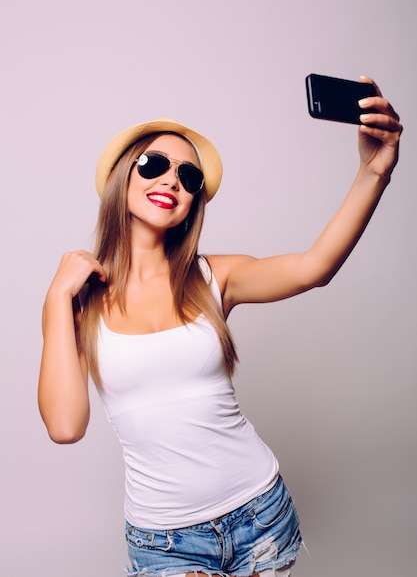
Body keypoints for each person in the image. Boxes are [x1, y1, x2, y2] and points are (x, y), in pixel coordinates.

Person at [38, 77, 402, 577]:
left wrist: (374, 172)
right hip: (165, 541)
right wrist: (58, 296)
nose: (171, 181)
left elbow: (314, 268)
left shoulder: (214, 276)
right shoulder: (77, 300)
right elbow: (64, 426)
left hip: (259, 515)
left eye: (189, 177)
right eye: (154, 165)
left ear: (195, 202)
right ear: (124, 176)